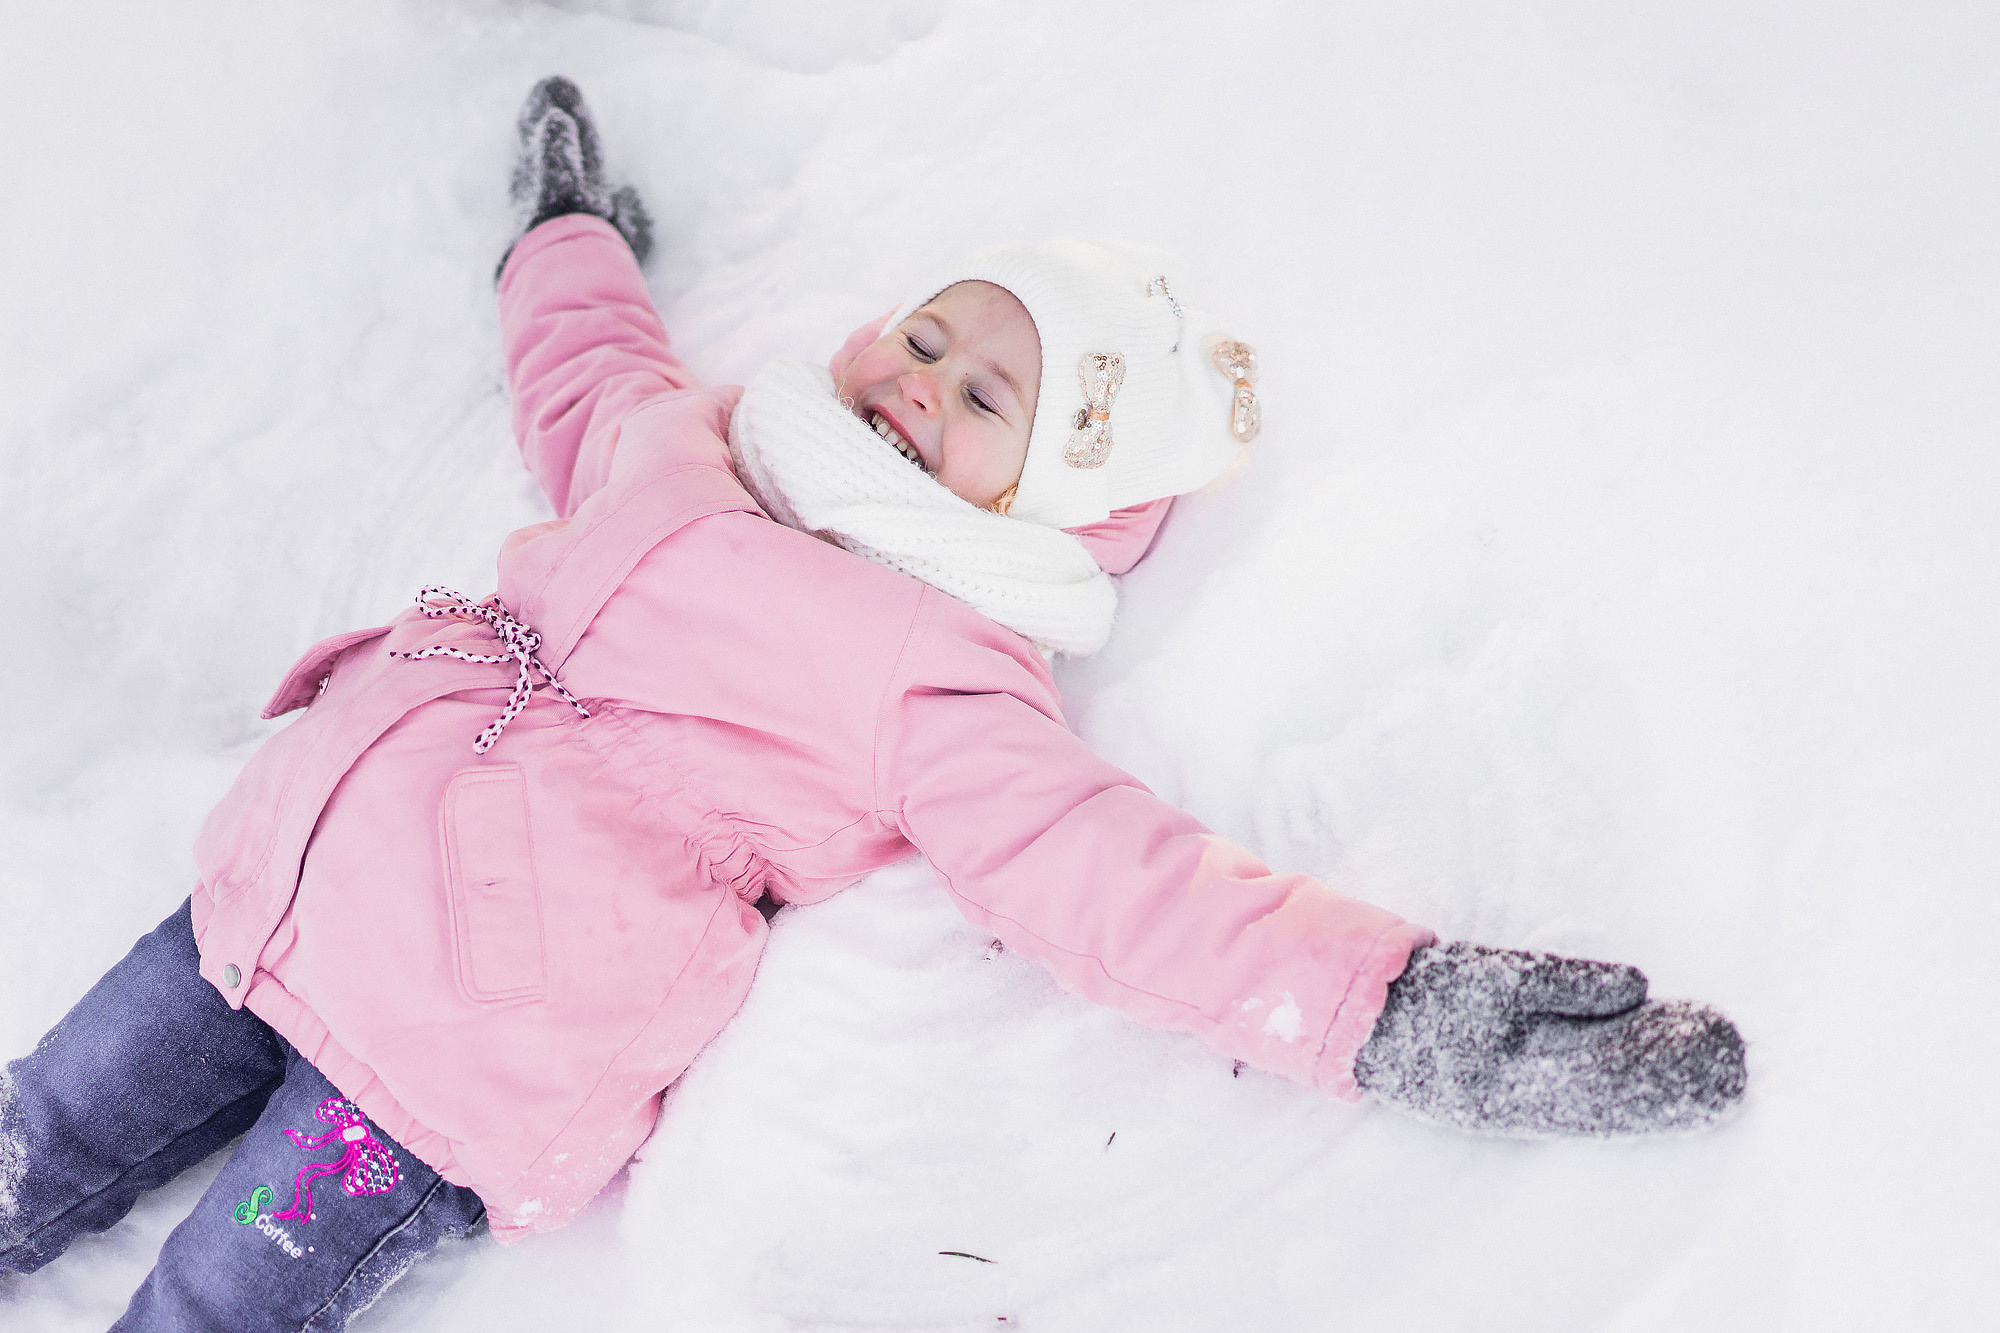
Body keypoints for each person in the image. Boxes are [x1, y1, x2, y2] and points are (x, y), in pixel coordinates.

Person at [0, 77, 1746, 1331]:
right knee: (41, 1128)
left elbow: (1120, 890)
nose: (920, 385)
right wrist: (566, 236)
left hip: (455, 1062)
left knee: (214, 1307)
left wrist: (1402, 1008)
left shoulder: (947, 668)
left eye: (988, 395)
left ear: (1050, 497)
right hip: (270, 888)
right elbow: (587, 364)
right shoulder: (700, 441)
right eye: (926, 337)